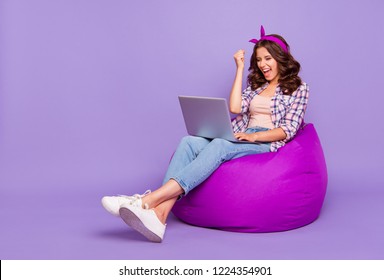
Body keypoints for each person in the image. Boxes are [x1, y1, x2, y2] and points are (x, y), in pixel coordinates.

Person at [101, 25, 309, 242]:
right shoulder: (256, 86)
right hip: (242, 135)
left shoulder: (298, 88)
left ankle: (146, 201)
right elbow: (236, 108)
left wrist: (254, 136)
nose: (262, 65)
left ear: (280, 58)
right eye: (258, 60)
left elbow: (287, 130)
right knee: (189, 142)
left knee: (219, 146)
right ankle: (159, 216)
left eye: (267, 59)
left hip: (265, 142)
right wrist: (239, 69)